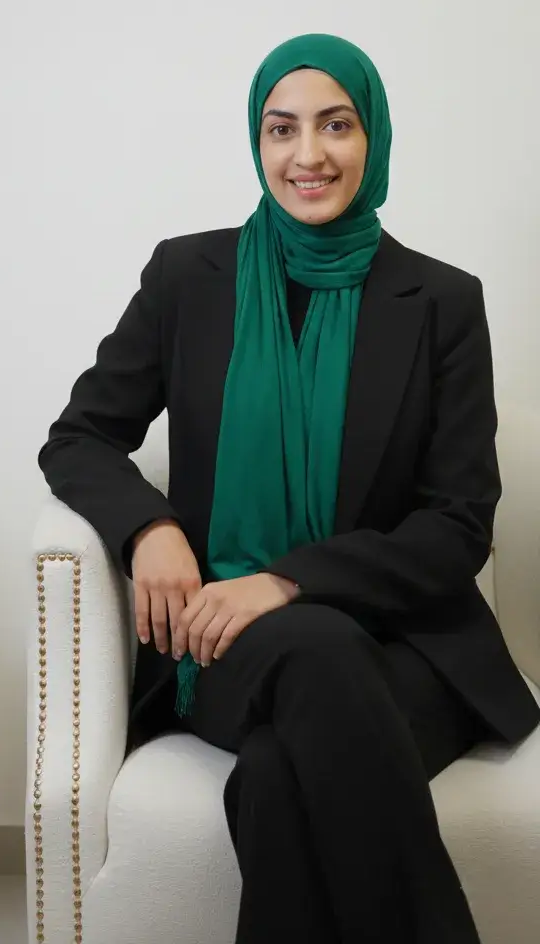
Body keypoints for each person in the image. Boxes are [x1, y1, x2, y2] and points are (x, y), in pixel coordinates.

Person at [38, 33, 540, 944]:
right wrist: (150, 529)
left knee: (276, 778)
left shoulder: (440, 302)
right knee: (313, 648)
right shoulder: (188, 279)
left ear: (373, 136)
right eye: (282, 129)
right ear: (257, 140)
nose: (308, 154)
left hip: (408, 646)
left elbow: (458, 526)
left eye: (336, 125)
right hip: (220, 646)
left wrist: (286, 581)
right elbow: (78, 438)